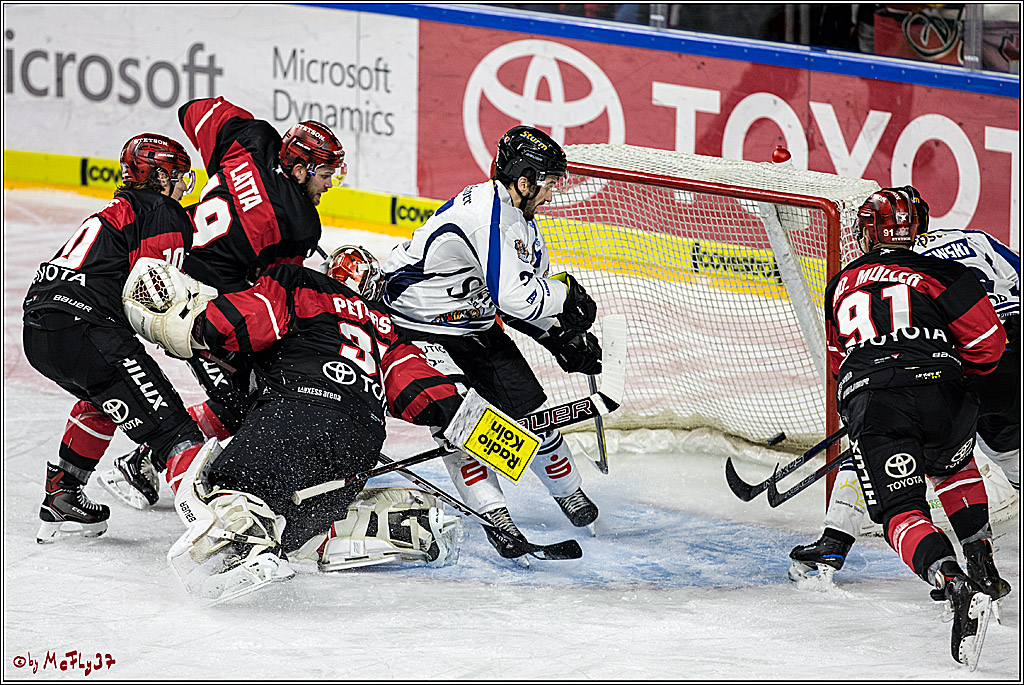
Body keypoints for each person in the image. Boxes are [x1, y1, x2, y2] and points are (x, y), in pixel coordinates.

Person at [122, 246, 467, 603]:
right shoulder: (385, 328)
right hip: (362, 439)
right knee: (292, 528)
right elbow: (418, 389)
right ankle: (396, 523)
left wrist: (200, 322)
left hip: (298, 408)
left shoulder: (300, 280)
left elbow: (256, 317)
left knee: (229, 479)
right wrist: (462, 416)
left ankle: (245, 544)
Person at [100, 96, 347, 509]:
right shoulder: (300, 222)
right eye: (324, 175)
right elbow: (277, 290)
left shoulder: (252, 138)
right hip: (198, 308)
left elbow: (192, 110)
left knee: (241, 395)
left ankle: (148, 459)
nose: (329, 185)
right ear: (300, 168)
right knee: (249, 399)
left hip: (160, 267)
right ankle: (146, 462)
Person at [380, 125, 603, 565]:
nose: (553, 194)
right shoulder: (489, 213)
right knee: (464, 427)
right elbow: (517, 296)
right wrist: (566, 296)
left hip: (473, 326)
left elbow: (515, 299)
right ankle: (495, 514)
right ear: (523, 180)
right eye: (548, 182)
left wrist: (559, 336)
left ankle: (571, 496)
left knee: (536, 417)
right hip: (419, 327)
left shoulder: (522, 222)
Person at [808, 187, 1006, 669]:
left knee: (902, 512)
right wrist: (953, 377)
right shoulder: (945, 272)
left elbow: (838, 365)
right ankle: (980, 557)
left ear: (867, 232)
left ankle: (951, 580)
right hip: (943, 394)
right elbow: (989, 345)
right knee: (954, 469)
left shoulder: (840, 284)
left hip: (875, 403)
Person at [22, 134, 207, 543]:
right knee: (174, 433)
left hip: (39, 329)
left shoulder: (120, 209)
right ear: (160, 177)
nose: (182, 185)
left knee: (104, 395)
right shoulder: (162, 210)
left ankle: (63, 496)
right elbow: (162, 298)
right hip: (87, 327)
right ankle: (217, 534)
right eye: (178, 176)